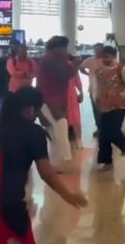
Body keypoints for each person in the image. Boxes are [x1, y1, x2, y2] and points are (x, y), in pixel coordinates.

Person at [0, 87, 87, 244]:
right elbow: (46, 174)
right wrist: (68, 194)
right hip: (4, 204)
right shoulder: (33, 132)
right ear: (32, 108)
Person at [36, 36, 80, 169]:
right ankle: (63, 159)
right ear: (58, 48)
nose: (66, 50)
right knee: (60, 126)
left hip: (54, 99)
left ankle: (56, 163)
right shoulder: (50, 59)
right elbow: (66, 75)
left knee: (55, 130)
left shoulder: (55, 58)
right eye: (64, 47)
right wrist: (75, 65)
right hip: (48, 99)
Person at [95, 45, 125, 170]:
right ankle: (107, 160)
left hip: (119, 105)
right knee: (103, 133)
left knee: (113, 129)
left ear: (112, 56)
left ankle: (123, 143)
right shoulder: (99, 68)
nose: (103, 58)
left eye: (106, 56)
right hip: (104, 105)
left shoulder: (121, 69)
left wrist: (124, 94)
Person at [79, 43, 105, 136]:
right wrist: (87, 74)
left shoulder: (106, 60)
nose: (97, 51)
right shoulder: (90, 60)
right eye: (96, 49)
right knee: (96, 110)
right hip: (93, 89)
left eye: (99, 49)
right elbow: (81, 67)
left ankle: (107, 129)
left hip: (105, 90)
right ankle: (100, 128)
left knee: (106, 110)